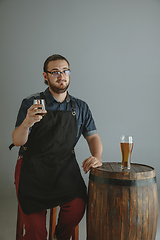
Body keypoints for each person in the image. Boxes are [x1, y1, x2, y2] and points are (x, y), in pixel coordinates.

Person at [12, 54, 103, 240]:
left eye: (65, 71)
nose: (61, 76)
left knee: (77, 207)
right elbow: (17, 141)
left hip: (64, 169)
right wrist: (27, 122)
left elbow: (93, 136)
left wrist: (97, 156)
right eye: (55, 72)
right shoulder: (31, 103)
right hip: (32, 170)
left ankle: (59, 237)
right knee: (36, 232)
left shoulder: (80, 107)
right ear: (45, 76)